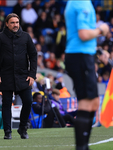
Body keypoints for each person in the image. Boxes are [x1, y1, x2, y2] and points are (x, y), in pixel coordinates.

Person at [64, 1, 109, 150]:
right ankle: (81, 147)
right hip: (80, 57)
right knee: (86, 102)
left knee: (94, 102)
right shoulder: (81, 3)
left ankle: (84, 145)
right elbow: (83, 34)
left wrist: (97, 51)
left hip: (83, 55)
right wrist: (101, 29)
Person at [0, 13, 37, 139]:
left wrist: (32, 74)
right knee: (6, 104)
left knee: (28, 101)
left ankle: (22, 128)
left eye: (17, 22)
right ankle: (7, 132)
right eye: (12, 22)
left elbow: (33, 55)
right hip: (5, 76)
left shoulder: (26, 37)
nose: (15, 25)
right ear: (6, 24)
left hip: (23, 76)